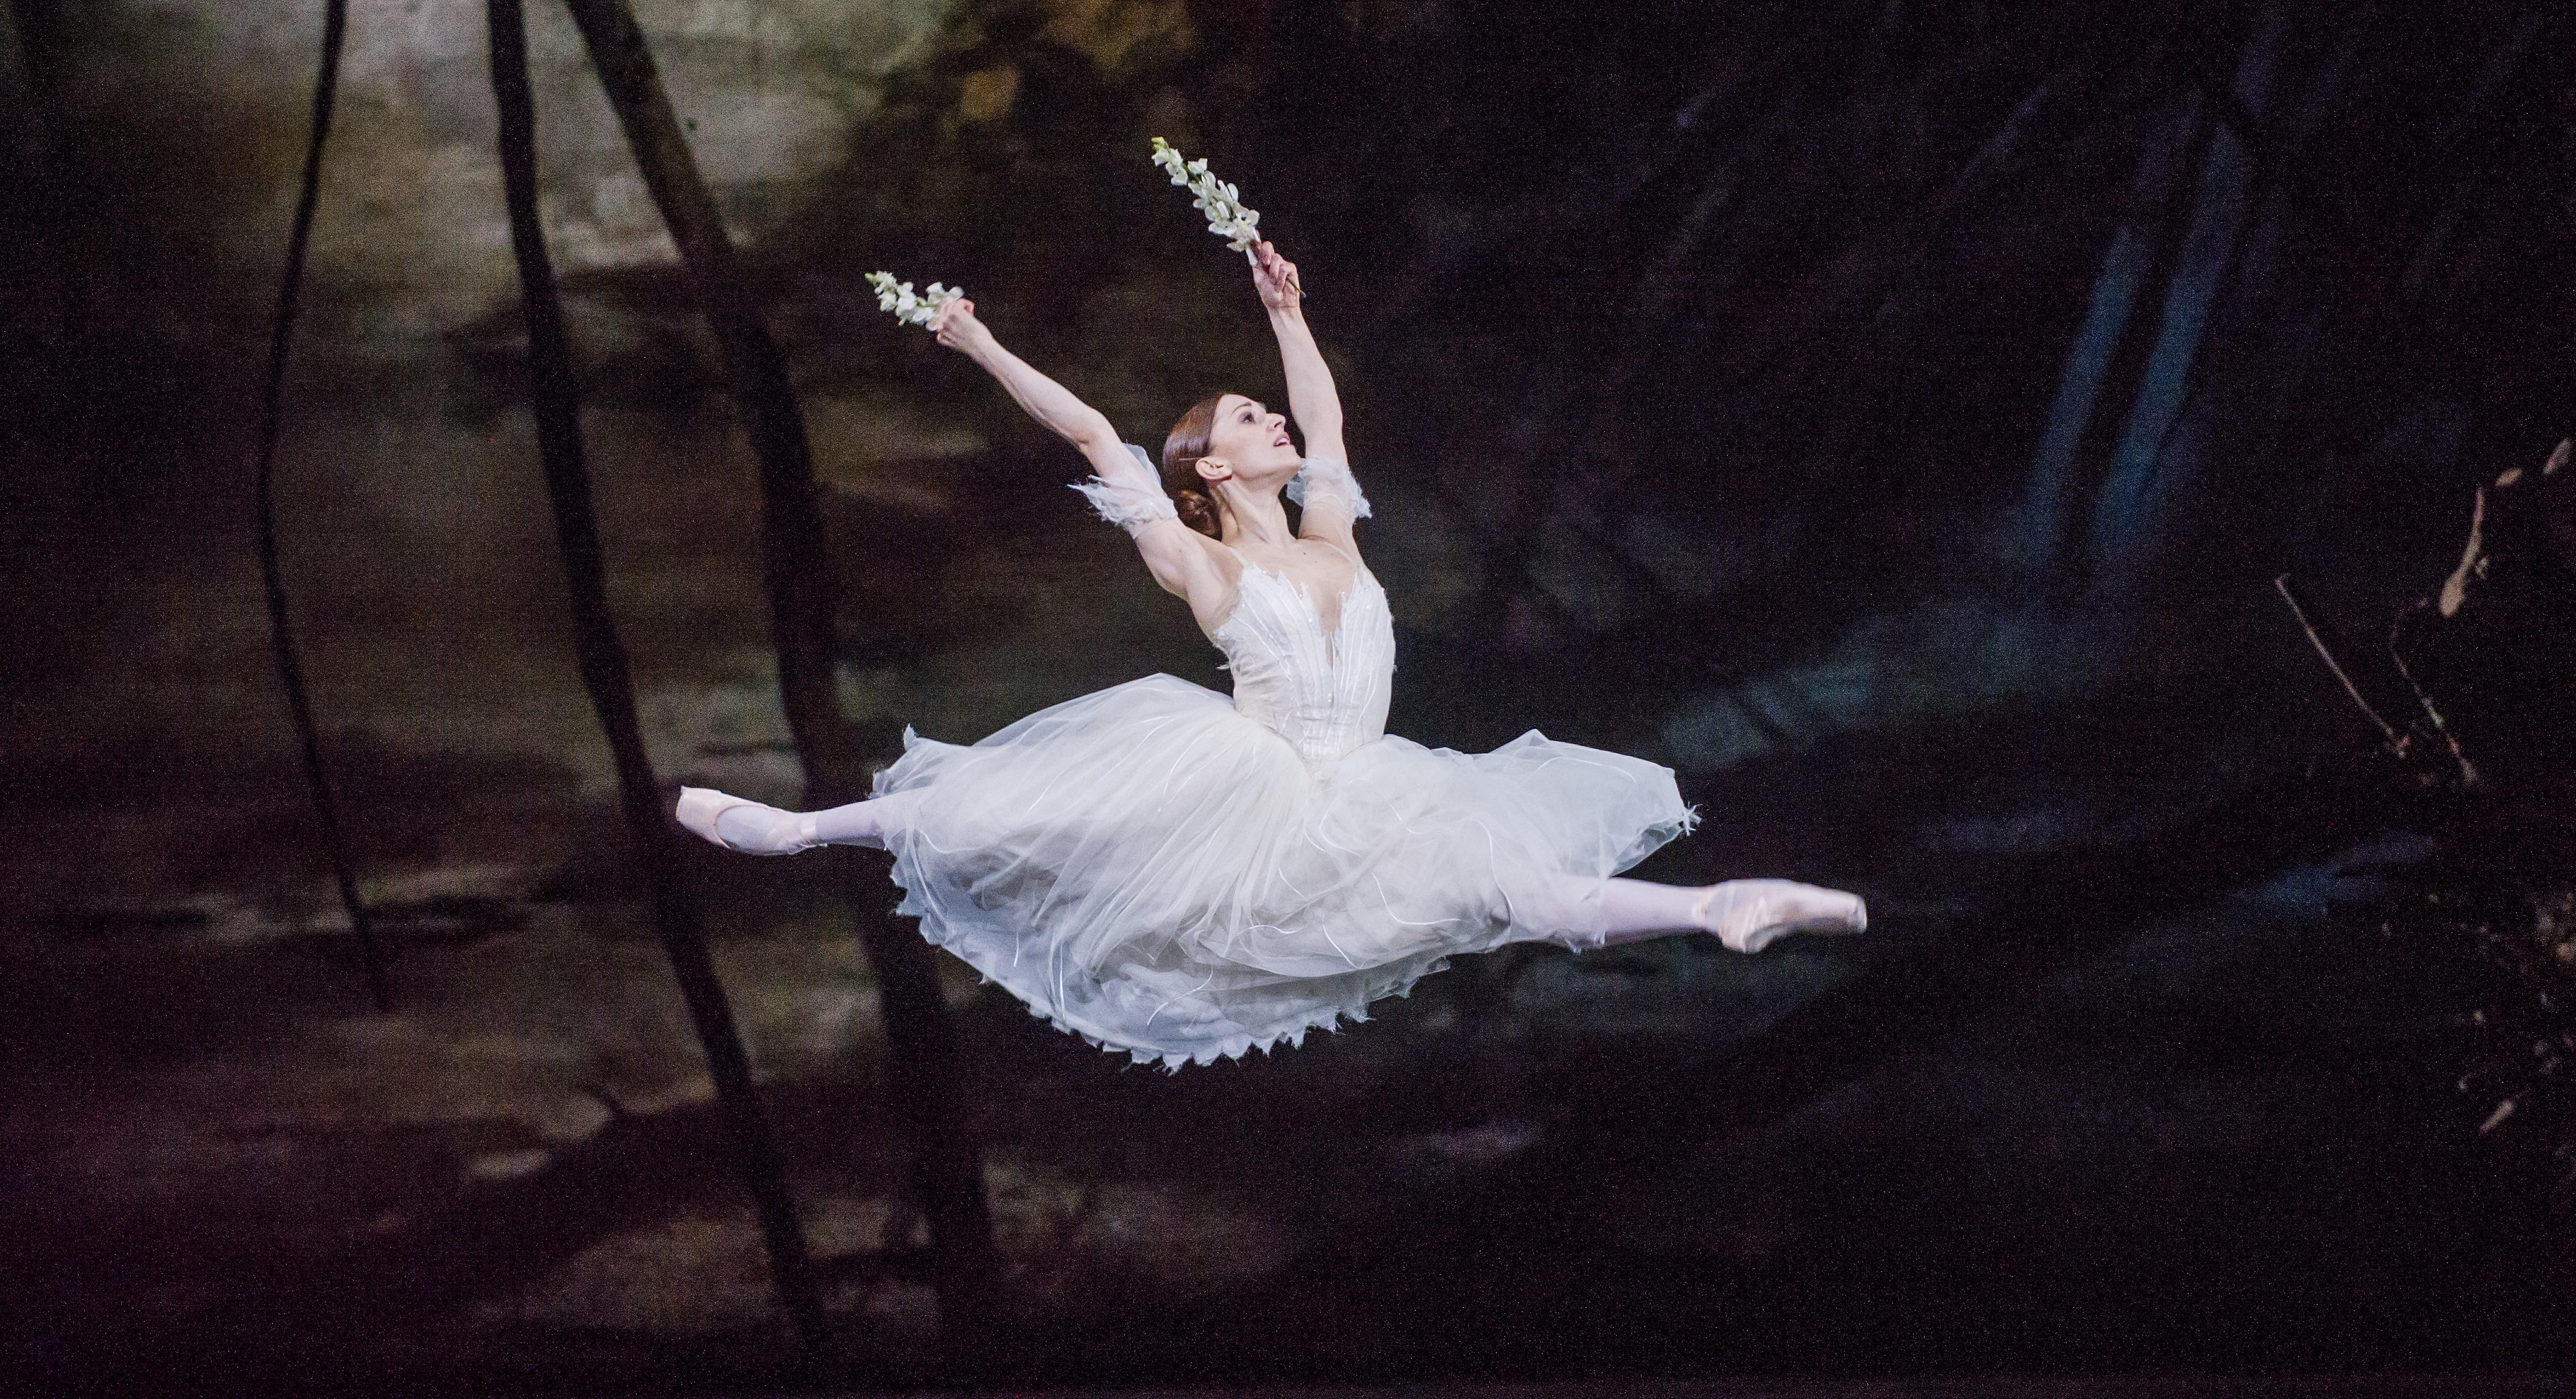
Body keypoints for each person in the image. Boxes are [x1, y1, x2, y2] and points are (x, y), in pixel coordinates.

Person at [677, 239, 1864, 1067]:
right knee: (1015, 809)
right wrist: (979, 343)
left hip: (1380, 788)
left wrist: (1288, 312)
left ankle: (1717, 907)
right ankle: (802, 830)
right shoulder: (1205, 565)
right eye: (1251, 417)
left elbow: (1332, 422)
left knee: (1509, 890)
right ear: (1208, 466)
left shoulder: (1331, 536)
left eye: (1270, 410)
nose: (1277, 422)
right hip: (1257, 793)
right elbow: (1094, 429)